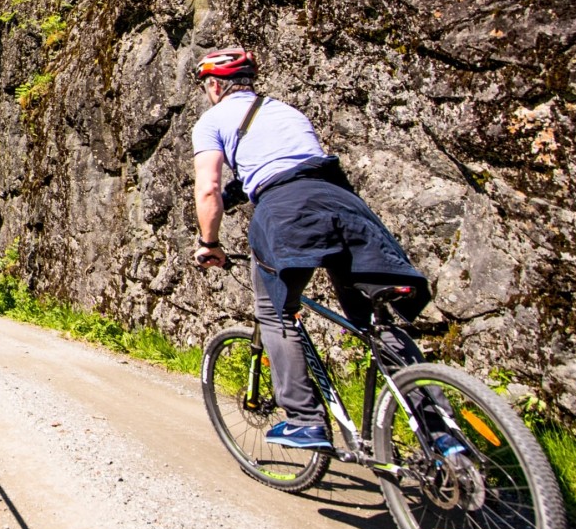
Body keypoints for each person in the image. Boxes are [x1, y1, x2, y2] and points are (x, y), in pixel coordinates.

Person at [188, 47, 454, 454]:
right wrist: (237, 193)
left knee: (276, 314)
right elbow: (291, 165)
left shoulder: (212, 120)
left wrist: (210, 243)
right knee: (376, 318)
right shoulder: (286, 111)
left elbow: (208, 188)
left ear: (213, 84)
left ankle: (305, 420)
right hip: (344, 204)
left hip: (285, 213)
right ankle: (440, 431)